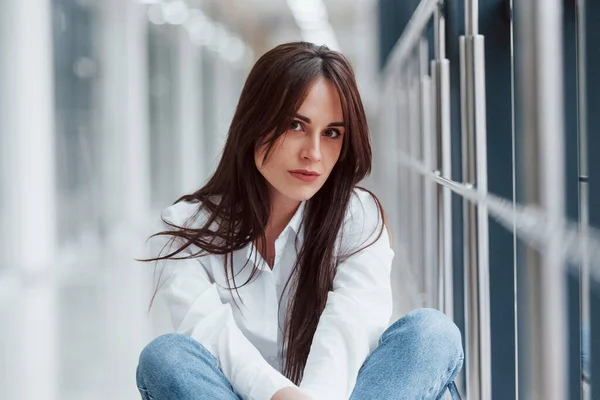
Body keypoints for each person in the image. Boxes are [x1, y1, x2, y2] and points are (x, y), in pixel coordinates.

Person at [136, 41, 464, 400]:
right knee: (165, 357)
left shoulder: (357, 217)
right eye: (295, 125)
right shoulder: (186, 228)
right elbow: (208, 330)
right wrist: (279, 394)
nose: (314, 153)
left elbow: (349, 326)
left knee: (431, 334)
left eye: (331, 133)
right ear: (255, 123)